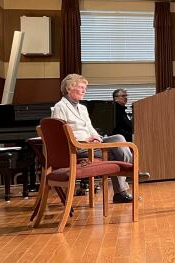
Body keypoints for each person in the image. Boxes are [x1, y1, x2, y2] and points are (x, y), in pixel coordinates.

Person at [51, 74, 135, 204]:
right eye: (81, 87)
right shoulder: (59, 107)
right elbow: (60, 134)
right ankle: (126, 181)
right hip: (78, 146)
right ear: (69, 89)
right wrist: (86, 139)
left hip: (92, 143)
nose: (85, 91)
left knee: (119, 138)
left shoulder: (83, 108)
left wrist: (96, 137)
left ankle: (130, 172)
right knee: (116, 153)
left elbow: (90, 128)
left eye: (85, 88)